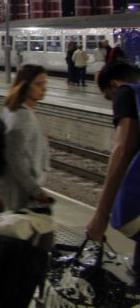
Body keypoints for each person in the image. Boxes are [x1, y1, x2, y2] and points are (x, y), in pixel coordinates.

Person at [85, 61, 140, 278]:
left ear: (115, 84)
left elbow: (122, 150)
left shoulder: (127, 92)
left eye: (109, 97)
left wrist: (101, 216)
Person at [0, 64, 53, 212]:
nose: (44, 89)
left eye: (45, 84)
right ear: (25, 86)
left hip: (21, 191)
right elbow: (15, 158)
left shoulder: (18, 110)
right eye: (39, 84)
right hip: (18, 195)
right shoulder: (21, 116)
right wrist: (36, 191)